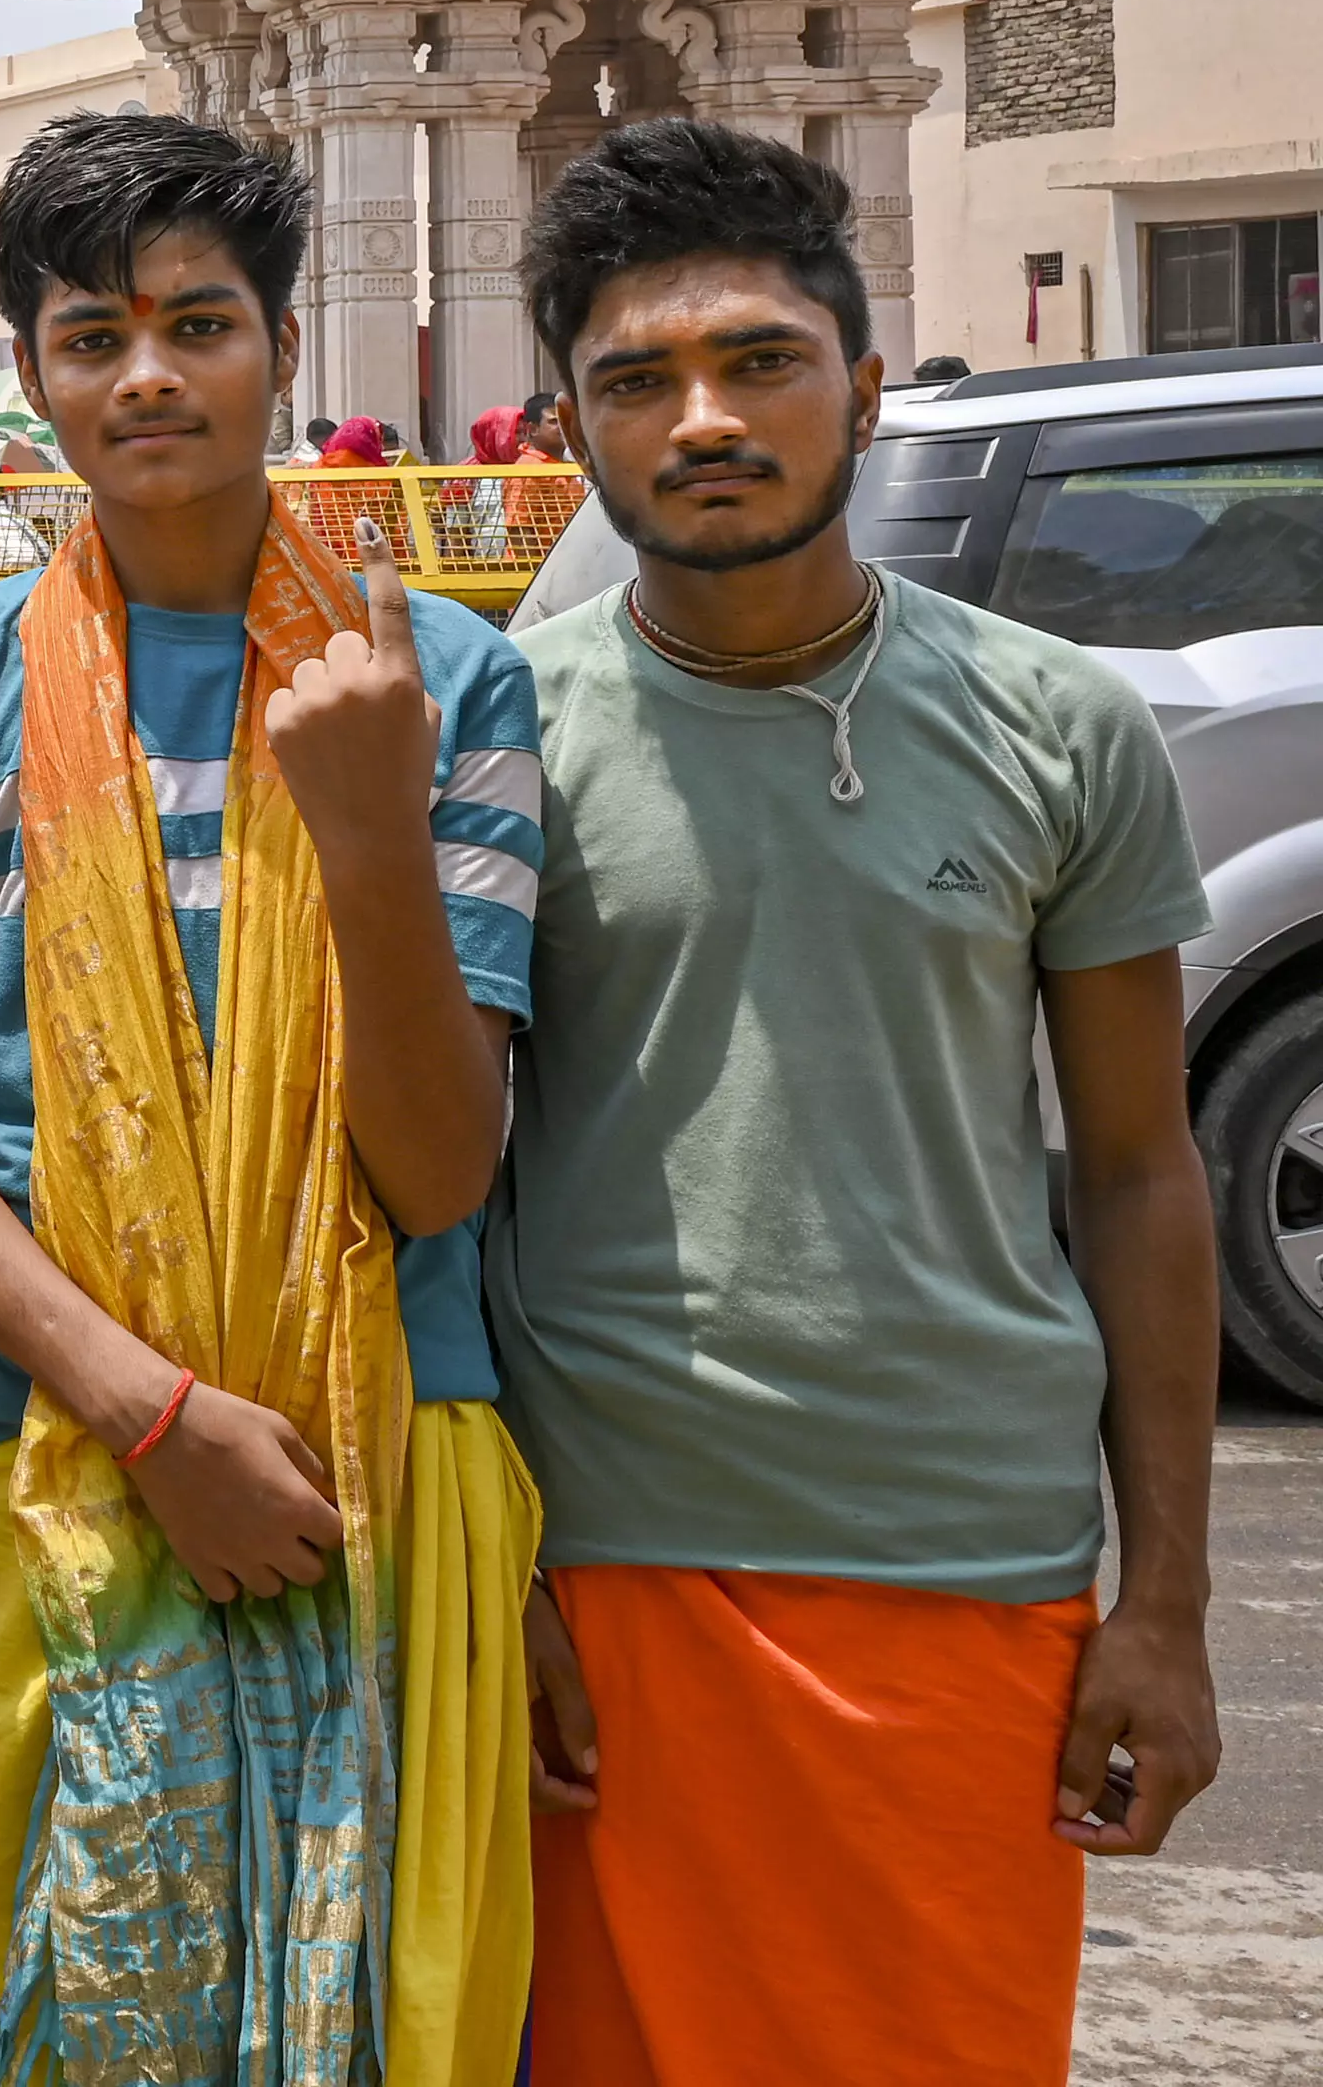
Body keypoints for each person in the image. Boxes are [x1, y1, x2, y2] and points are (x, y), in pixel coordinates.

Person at [0, 113, 549, 2087]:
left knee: (378, 2026)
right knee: (81, 2016)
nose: (147, 373)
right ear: (36, 375)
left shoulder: (445, 681)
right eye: (91, 334)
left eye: (198, 322)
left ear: (283, 345)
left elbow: (438, 1165)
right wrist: (149, 1412)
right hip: (67, 1452)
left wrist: (373, 841)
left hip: (385, 1450)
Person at [493, 120, 1219, 2086]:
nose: (705, 416)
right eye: (639, 380)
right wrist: (493, 1576)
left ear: (869, 387)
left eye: (762, 360)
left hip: (967, 1567)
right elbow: (436, 1184)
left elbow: (1147, 1173)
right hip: (613, 1574)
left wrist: (1163, 1605)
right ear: (570, 427)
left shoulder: (1058, 723)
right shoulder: (505, 738)